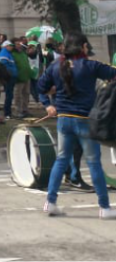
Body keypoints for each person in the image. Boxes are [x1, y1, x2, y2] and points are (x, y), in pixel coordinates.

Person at [37, 31, 116, 219]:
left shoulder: (56, 66)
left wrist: (48, 105)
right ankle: (104, 207)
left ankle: (51, 202)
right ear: (83, 47)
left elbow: (40, 87)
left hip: (64, 119)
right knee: (93, 162)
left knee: (61, 159)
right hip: (85, 120)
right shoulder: (90, 66)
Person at [12, 38, 32, 119]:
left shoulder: (23, 53)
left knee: (26, 94)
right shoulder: (13, 54)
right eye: (17, 44)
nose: (19, 45)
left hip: (26, 77)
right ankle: (18, 111)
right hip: (19, 78)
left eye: (20, 44)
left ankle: (25, 109)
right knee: (18, 95)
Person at [0, 40, 18, 120]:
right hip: (8, 78)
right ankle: (7, 113)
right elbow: (3, 65)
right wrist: (10, 73)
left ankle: (8, 112)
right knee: (9, 95)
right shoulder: (4, 53)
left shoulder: (8, 53)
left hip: (11, 77)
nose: (12, 47)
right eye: (10, 46)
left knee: (10, 95)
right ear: (6, 46)